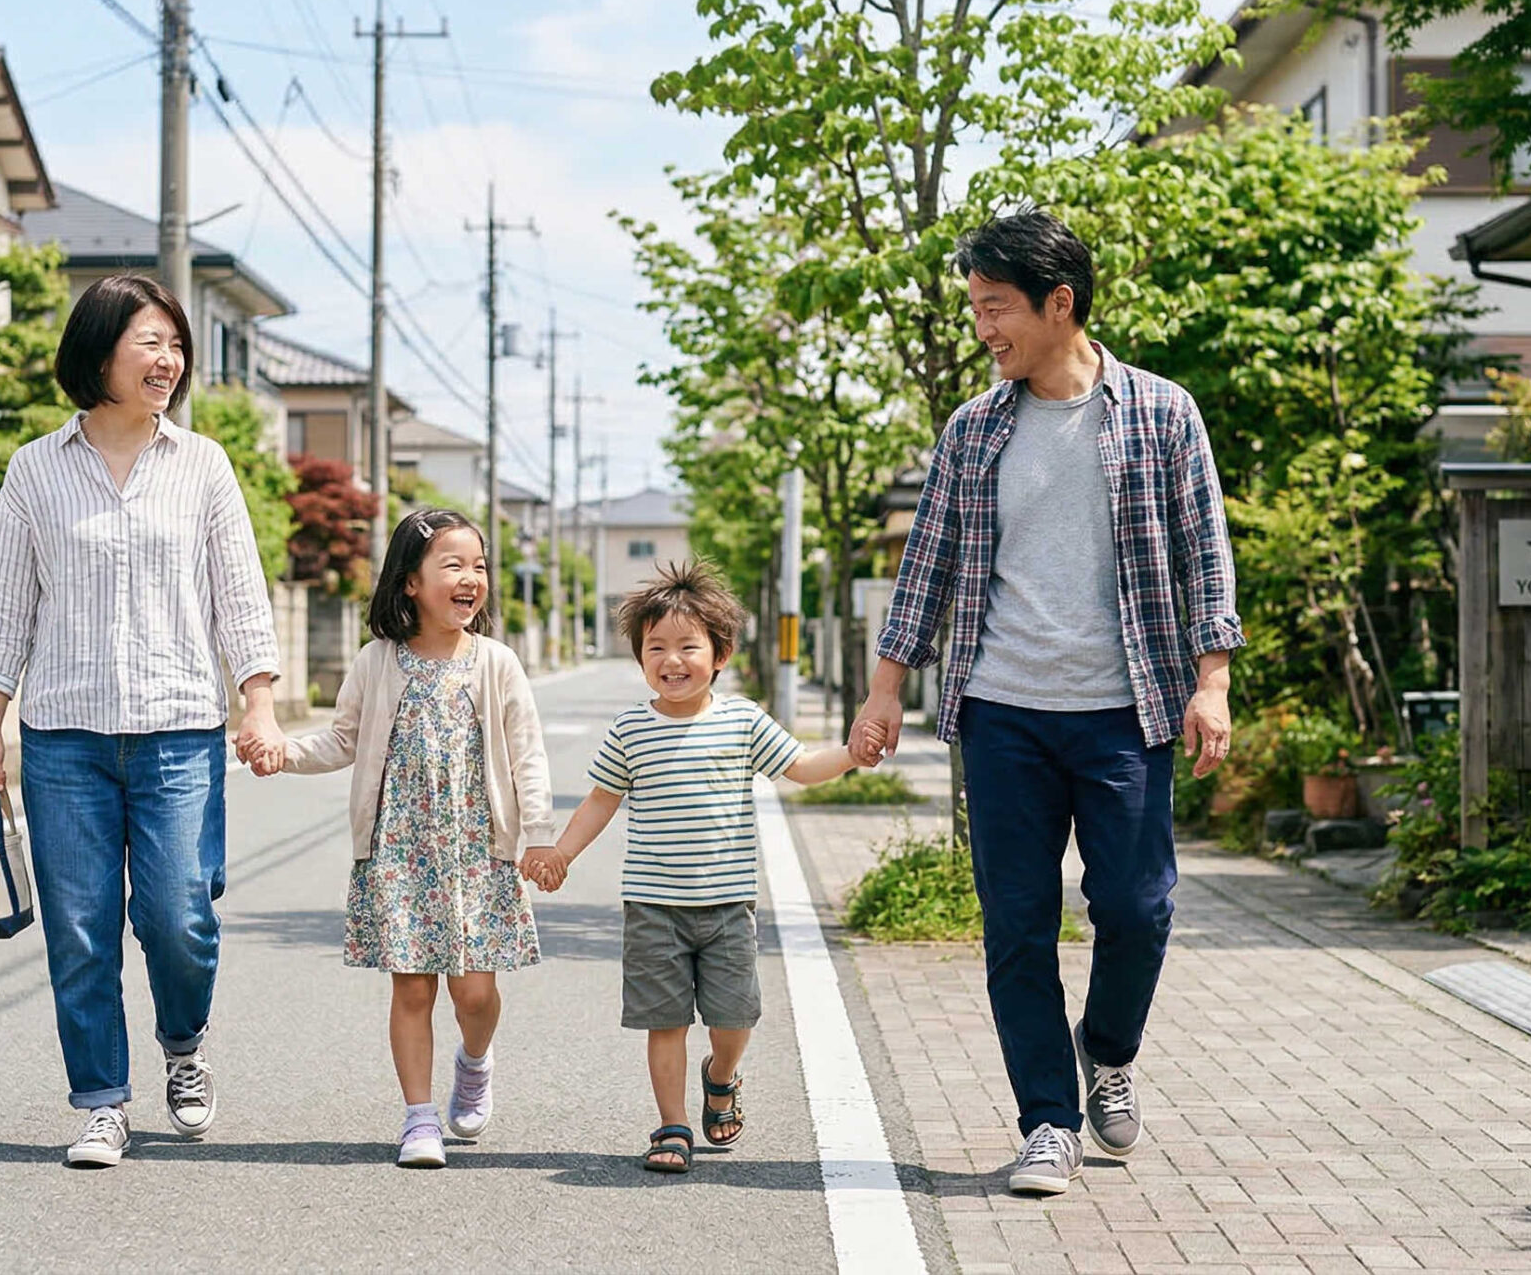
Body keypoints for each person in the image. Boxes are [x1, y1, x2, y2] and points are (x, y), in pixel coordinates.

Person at [851, 210, 1242, 1198]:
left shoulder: (1161, 413)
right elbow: (927, 563)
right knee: (1017, 923)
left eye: (995, 308)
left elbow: (1205, 553)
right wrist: (885, 689)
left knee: (1137, 905)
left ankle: (1106, 1051)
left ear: (1057, 304)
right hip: (1003, 712)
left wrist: (1213, 678)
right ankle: (1048, 1121)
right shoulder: (973, 428)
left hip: (1125, 710)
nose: (983, 329)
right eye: (976, 308)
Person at [0, 273, 288, 1170]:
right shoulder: (35, 468)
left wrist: (256, 699)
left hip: (180, 728)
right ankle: (101, 1101)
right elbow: (5, 608)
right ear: (98, 350)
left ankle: (183, 1047)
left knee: (178, 912)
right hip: (63, 736)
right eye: (151, 341)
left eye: (175, 345)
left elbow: (239, 593)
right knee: (80, 926)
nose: (170, 360)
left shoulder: (204, 464)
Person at [253, 507, 562, 1168]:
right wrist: (284, 751)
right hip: (400, 849)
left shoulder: (497, 663)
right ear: (410, 584)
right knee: (413, 988)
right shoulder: (377, 661)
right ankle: (418, 1116)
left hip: (480, 850)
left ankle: (473, 1062)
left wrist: (537, 835)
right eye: (452, 564)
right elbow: (341, 739)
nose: (470, 577)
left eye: (478, 565)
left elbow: (528, 754)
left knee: (475, 992)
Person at [531, 560, 860, 1174]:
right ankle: (672, 1126)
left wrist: (851, 754)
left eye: (688, 646)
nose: (671, 660)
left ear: (721, 654)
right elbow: (602, 799)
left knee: (735, 1017)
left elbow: (801, 767)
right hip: (653, 907)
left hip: (728, 906)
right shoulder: (630, 728)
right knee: (665, 1021)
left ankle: (721, 1074)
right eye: (656, 647)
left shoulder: (741, 721)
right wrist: (561, 853)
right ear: (639, 657)